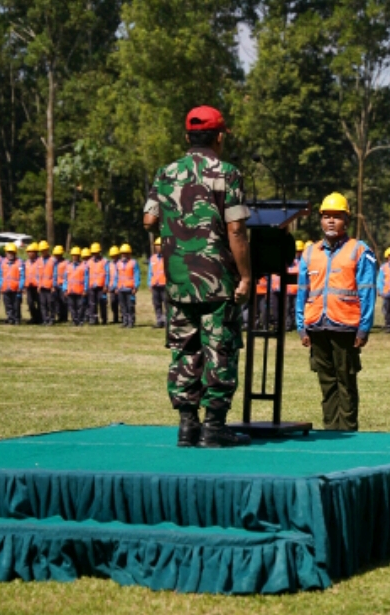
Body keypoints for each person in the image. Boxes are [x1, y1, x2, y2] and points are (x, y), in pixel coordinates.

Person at [142, 104, 253, 448]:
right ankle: (215, 427)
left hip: (178, 280)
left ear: (187, 137)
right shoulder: (227, 173)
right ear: (219, 137)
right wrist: (246, 277)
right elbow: (235, 231)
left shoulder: (165, 173)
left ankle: (187, 425)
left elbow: (148, 221)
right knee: (219, 348)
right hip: (218, 280)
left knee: (185, 349)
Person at [296, 193, 377, 431]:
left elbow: (367, 292)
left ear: (347, 221)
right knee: (326, 382)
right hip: (316, 326)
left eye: (337, 217)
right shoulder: (310, 252)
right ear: (320, 220)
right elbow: (302, 292)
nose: (331, 221)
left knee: (346, 381)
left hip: (345, 327)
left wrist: (364, 328)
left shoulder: (359, 250)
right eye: (326, 216)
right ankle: (331, 429)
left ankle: (348, 430)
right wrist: (301, 326)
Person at [61, 247, 88, 326]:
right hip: (70, 290)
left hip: (80, 290)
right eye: (73, 255)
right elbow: (65, 279)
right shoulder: (68, 266)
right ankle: (74, 320)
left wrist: (85, 289)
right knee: (71, 307)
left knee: (80, 306)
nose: (74, 257)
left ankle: (80, 320)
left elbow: (86, 279)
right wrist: (65, 289)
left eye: (76, 255)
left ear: (79, 256)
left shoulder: (84, 266)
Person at [115, 244, 140, 328]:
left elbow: (136, 275)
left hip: (129, 288)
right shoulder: (118, 263)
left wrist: (136, 286)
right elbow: (116, 276)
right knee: (122, 306)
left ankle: (131, 321)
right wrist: (116, 287)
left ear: (129, 253)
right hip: (121, 288)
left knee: (130, 306)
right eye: (123, 253)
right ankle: (125, 321)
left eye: (126, 253)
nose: (124, 255)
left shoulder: (133, 263)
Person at [0, 244, 24, 325]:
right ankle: (10, 318)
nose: (10, 254)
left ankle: (17, 319)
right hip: (6, 287)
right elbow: (0, 275)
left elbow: (22, 276)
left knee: (16, 305)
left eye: (12, 252)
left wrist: (20, 286)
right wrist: (1, 285)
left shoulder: (19, 263)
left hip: (16, 288)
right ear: (6, 253)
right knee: (8, 305)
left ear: (15, 253)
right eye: (8, 252)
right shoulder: (3, 263)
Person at [86, 243, 109, 325]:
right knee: (92, 304)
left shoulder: (104, 261)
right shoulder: (88, 262)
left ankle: (104, 319)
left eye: (96, 252)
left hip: (101, 286)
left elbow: (107, 274)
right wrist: (86, 286)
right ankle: (93, 319)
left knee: (102, 302)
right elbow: (86, 275)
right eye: (93, 253)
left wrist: (106, 285)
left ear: (99, 252)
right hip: (92, 286)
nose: (95, 254)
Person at [40, 245, 62, 327]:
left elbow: (55, 274)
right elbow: (39, 275)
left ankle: (51, 319)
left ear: (47, 250)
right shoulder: (40, 260)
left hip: (50, 286)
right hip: (42, 286)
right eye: (41, 250)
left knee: (50, 303)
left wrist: (54, 285)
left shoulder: (53, 260)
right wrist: (39, 285)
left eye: (44, 250)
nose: (43, 252)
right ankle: (45, 319)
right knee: (43, 304)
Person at [148, 237, 167, 328]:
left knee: (166, 304)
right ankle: (159, 321)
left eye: (159, 245)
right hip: (155, 285)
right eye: (156, 246)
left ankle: (167, 322)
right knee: (157, 304)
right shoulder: (153, 258)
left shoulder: (167, 257)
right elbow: (150, 272)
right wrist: (149, 283)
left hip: (164, 285)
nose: (158, 247)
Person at [23, 244, 43, 324]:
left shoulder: (39, 262)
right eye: (29, 252)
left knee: (40, 303)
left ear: (36, 253)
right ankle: (34, 317)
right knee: (30, 303)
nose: (30, 254)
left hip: (37, 286)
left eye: (32, 252)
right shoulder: (26, 262)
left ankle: (39, 318)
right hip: (29, 286)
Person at [107, 245, 121, 324]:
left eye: (115, 255)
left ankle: (123, 318)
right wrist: (108, 285)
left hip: (120, 286)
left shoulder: (120, 263)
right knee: (113, 303)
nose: (113, 257)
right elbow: (108, 275)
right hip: (111, 287)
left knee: (121, 304)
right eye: (112, 255)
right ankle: (115, 318)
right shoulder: (109, 264)